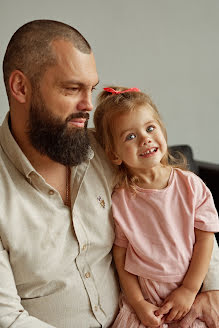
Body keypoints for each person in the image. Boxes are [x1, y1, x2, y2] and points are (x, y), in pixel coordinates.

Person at [0, 20, 218, 328]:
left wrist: (212, 290)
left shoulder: (105, 151)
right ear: (21, 87)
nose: (88, 105)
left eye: (90, 88)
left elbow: (185, 214)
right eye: (72, 88)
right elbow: (6, 317)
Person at [93, 86, 219, 327]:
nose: (145, 139)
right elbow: (121, 258)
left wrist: (189, 290)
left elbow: (206, 240)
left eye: (150, 128)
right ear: (114, 155)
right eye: (130, 136)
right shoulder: (120, 201)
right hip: (147, 305)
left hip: (190, 297)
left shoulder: (191, 186)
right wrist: (139, 303)